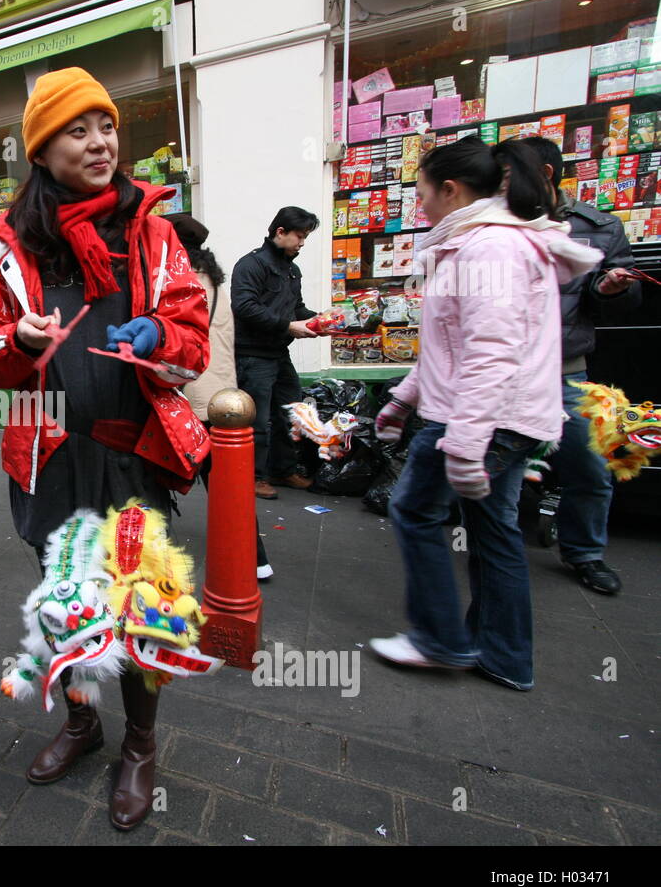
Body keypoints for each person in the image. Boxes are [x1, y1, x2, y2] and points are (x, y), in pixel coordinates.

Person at [0, 68, 209, 830]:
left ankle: (138, 743)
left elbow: (195, 343)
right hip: (48, 461)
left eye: (106, 125)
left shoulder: (153, 232)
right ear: (42, 149)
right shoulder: (7, 248)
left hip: (130, 457)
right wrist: (15, 339)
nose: (101, 141)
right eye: (78, 129)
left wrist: (161, 336)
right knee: (67, 606)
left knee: (139, 613)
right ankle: (80, 724)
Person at [369, 136, 601, 692]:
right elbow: (454, 345)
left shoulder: (486, 248)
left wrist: (467, 443)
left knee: (416, 511)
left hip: (480, 420)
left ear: (449, 190)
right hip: (502, 417)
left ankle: (440, 639)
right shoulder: (493, 242)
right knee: (494, 532)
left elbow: (490, 353)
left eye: (422, 192)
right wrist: (405, 398)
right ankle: (502, 655)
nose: (419, 204)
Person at [514, 136, 641, 596]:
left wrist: (612, 289)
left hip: (566, 371)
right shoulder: (499, 227)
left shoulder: (599, 227)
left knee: (588, 465)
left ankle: (585, 552)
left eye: (510, 174)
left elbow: (623, 299)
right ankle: (499, 545)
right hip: (505, 372)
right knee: (494, 465)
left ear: (544, 175)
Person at [171, 215, 272, 581]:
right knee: (226, 484)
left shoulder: (182, 283)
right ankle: (255, 558)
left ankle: (148, 556)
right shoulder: (213, 282)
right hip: (221, 394)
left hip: (190, 395)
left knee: (155, 477)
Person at [230, 206, 321, 499]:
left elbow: (297, 309)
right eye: (299, 236)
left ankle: (283, 470)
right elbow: (244, 307)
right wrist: (289, 326)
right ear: (280, 232)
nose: (303, 243)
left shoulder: (292, 270)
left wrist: (321, 320)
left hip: (279, 353)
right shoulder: (250, 265)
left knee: (289, 414)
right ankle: (253, 477)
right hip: (252, 355)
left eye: (306, 237)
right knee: (256, 421)